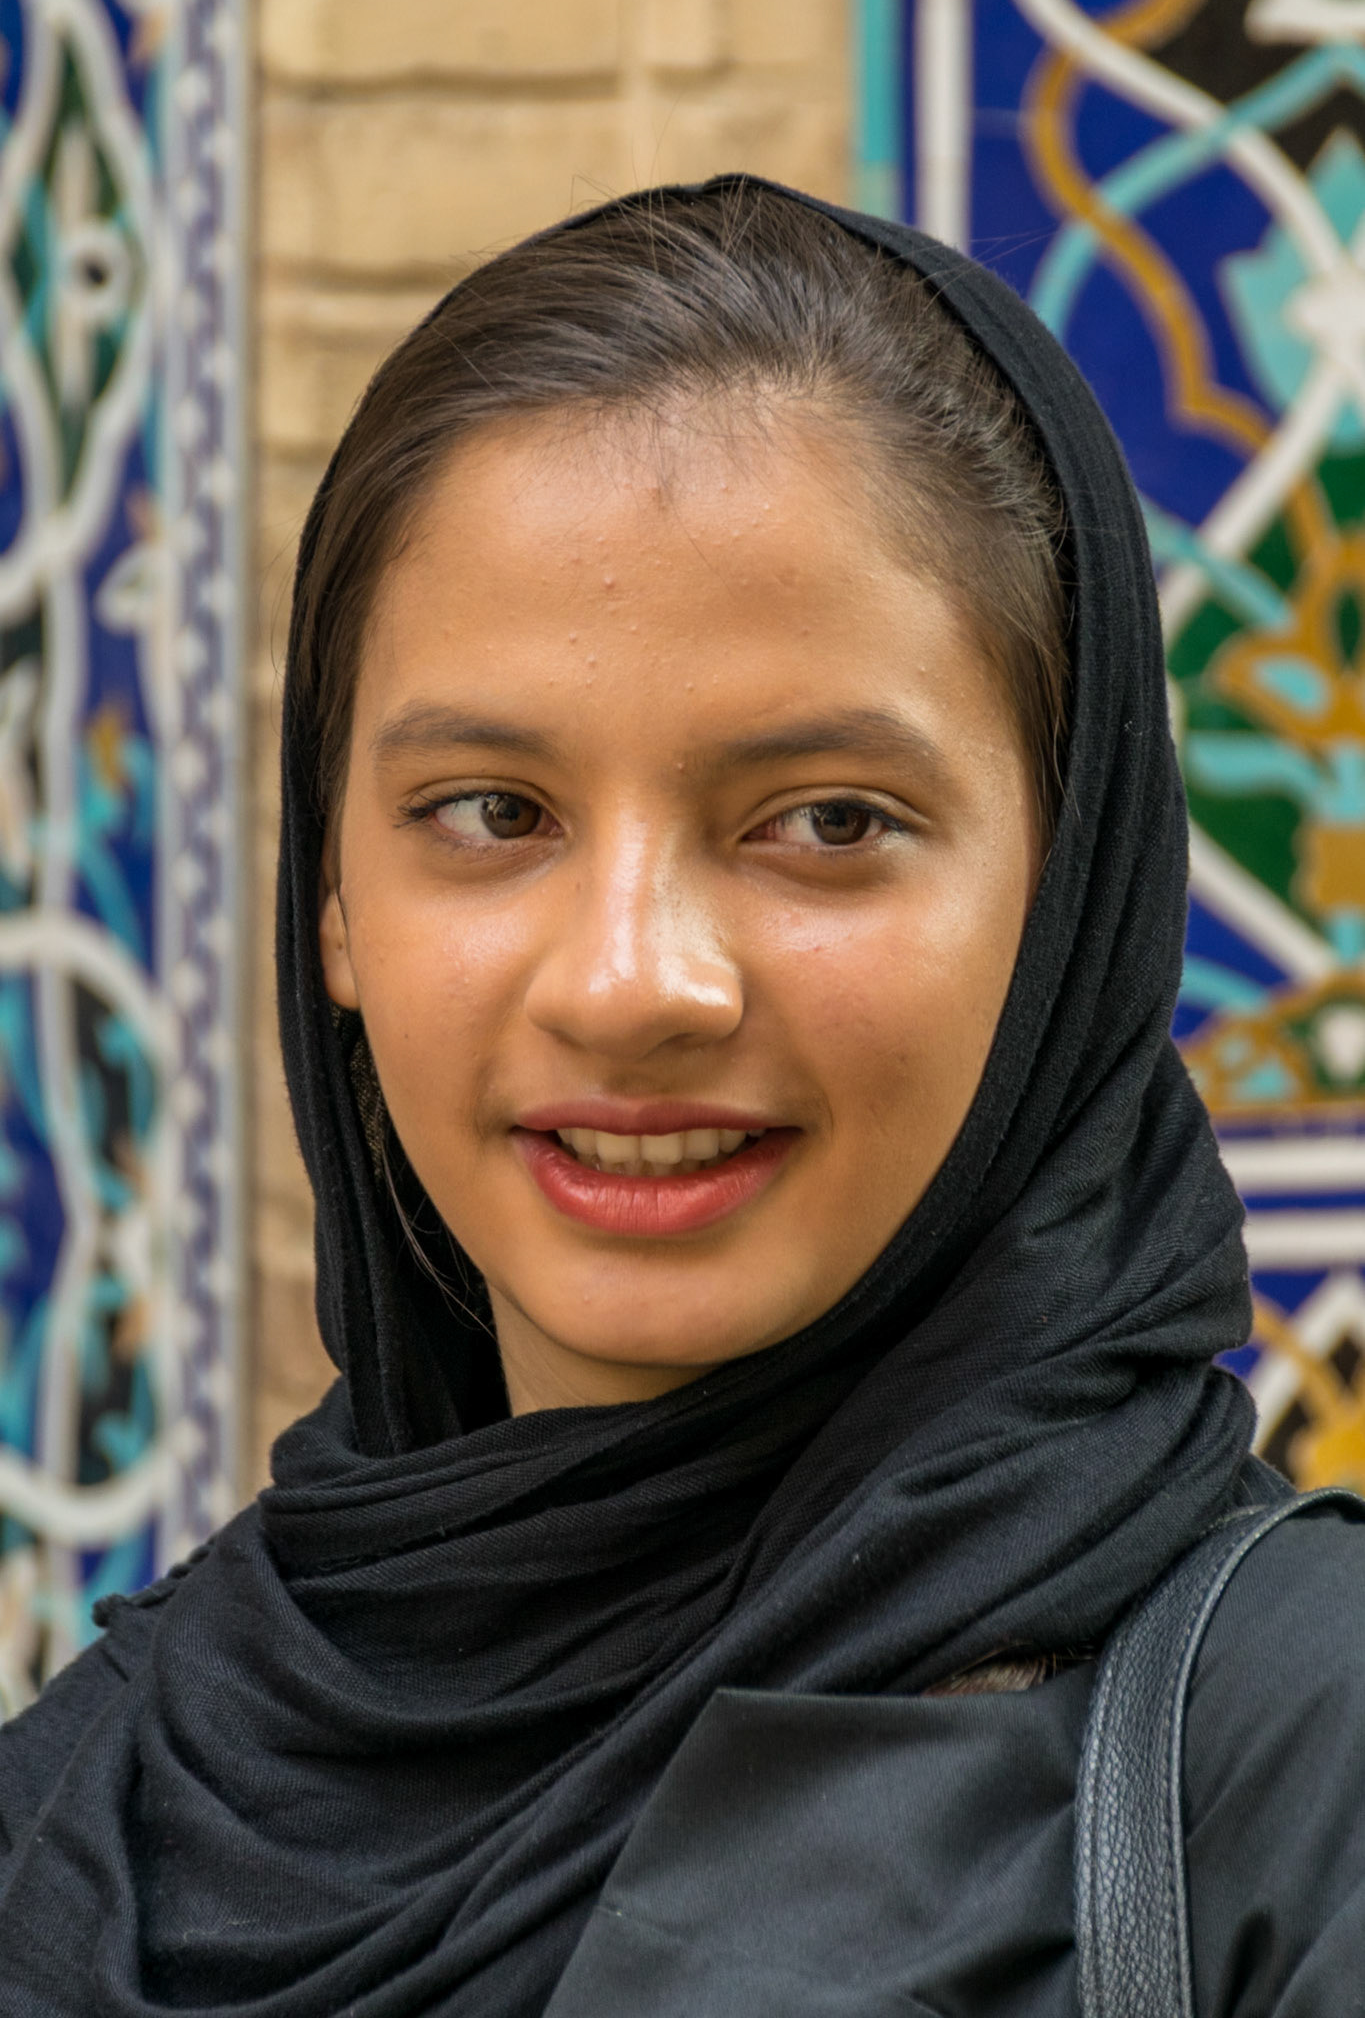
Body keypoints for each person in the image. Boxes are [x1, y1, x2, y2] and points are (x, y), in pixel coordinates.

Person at [0, 175, 1361, 2017]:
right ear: (333, 901)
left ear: (1070, 900)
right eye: (491, 813)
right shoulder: (94, 1809)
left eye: (826, 822)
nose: (630, 984)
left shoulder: (1291, 1783)